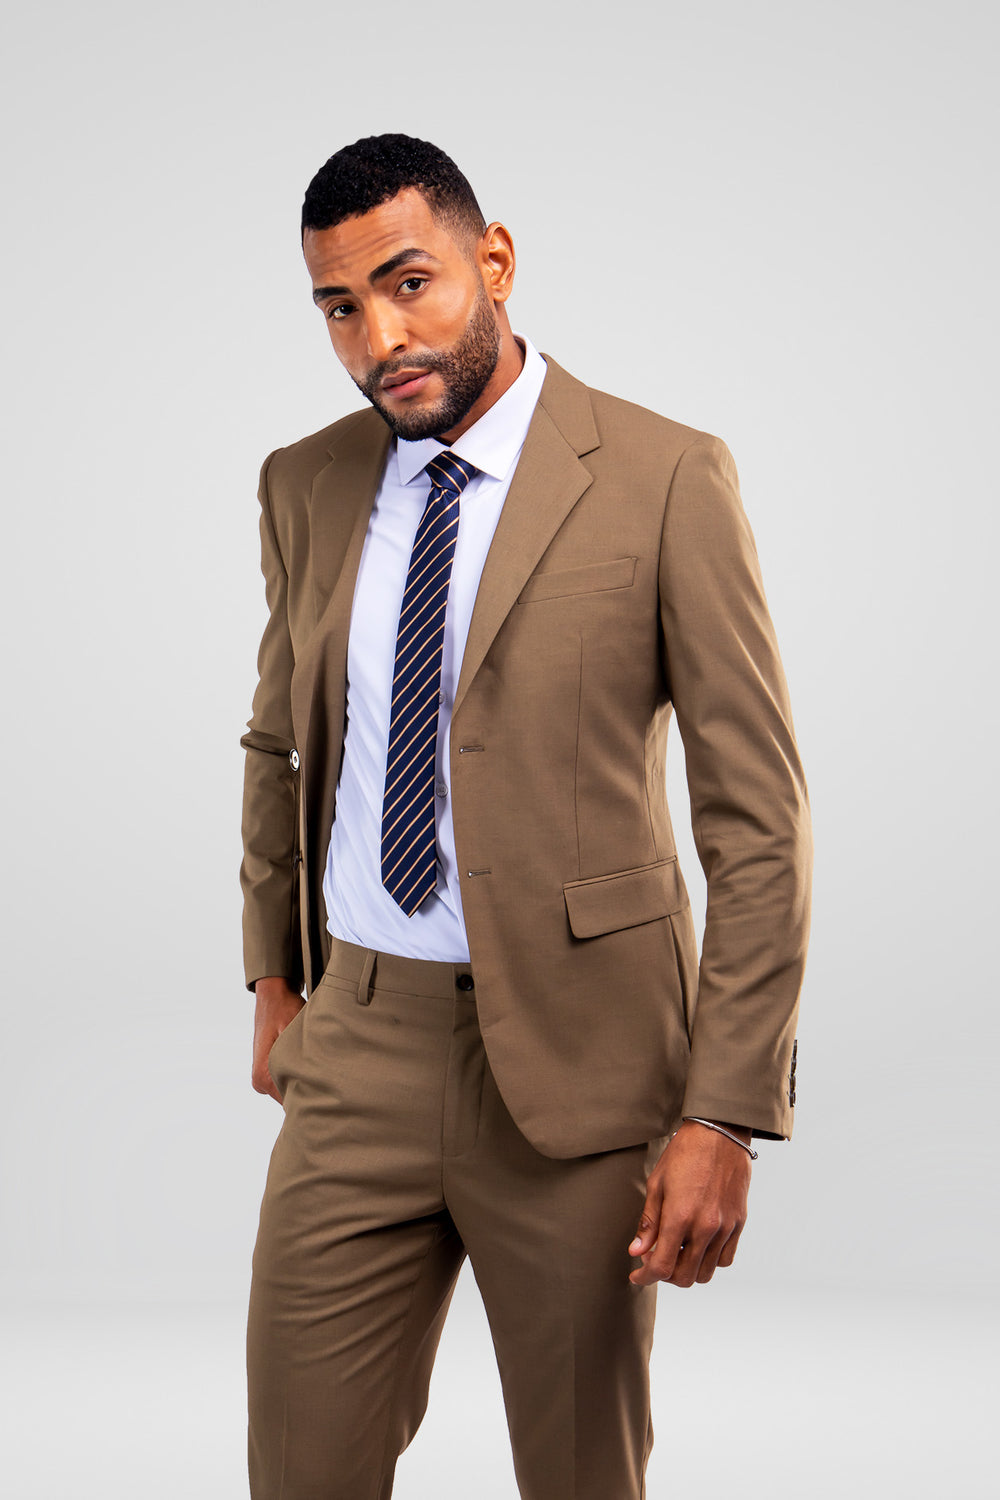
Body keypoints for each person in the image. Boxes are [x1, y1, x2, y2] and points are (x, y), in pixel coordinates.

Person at [240, 133, 812, 1500]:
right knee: (300, 1468)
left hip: (585, 1062)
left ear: (493, 260)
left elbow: (759, 823)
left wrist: (724, 1115)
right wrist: (273, 978)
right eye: (339, 307)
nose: (381, 338)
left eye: (409, 284)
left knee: (578, 1474)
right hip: (358, 1045)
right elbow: (277, 743)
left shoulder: (666, 477)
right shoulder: (306, 483)